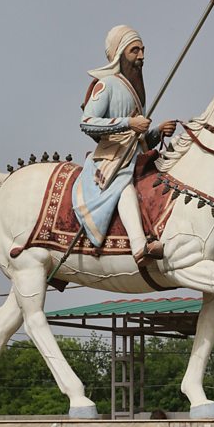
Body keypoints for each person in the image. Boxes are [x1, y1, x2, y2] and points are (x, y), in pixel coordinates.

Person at [73, 25, 176, 266]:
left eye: (142, 50)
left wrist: (156, 132)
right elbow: (87, 122)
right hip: (111, 160)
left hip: (134, 157)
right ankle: (139, 246)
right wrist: (129, 122)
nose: (141, 56)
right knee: (125, 188)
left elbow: (137, 140)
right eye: (134, 50)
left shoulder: (135, 92)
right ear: (120, 53)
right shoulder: (106, 84)